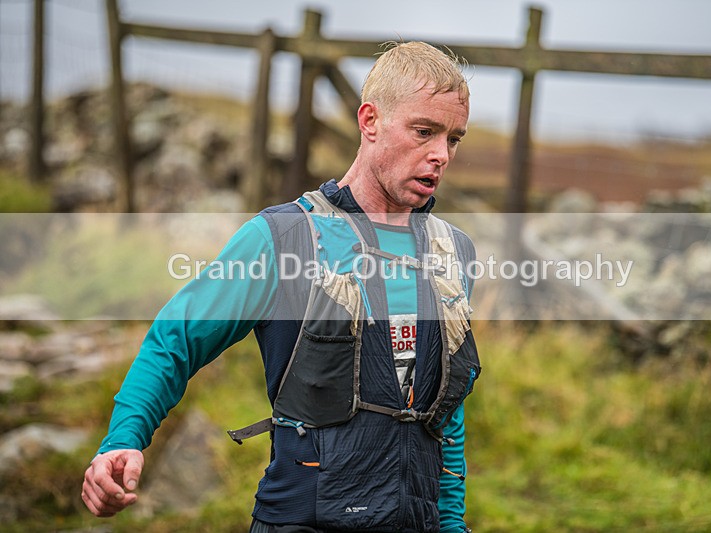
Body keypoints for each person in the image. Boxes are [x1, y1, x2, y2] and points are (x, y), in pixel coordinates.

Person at [82, 41, 480, 533]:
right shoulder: (284, 238)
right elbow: (176, 339)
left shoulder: (452, 254)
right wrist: (122, 440)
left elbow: (444, 416)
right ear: (370, 121)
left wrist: (452, 523)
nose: (440, 155)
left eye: (454, 138)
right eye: (424, 131)